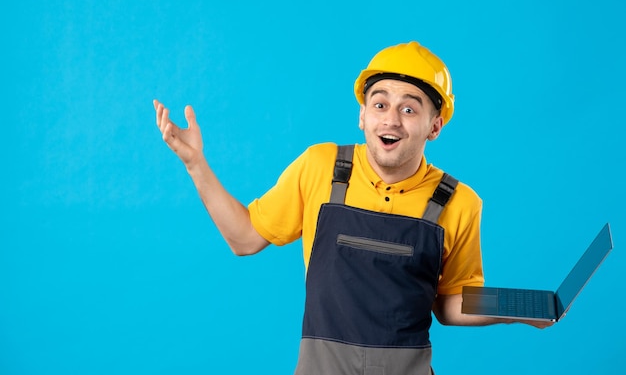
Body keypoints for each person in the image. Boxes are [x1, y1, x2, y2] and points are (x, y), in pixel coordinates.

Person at [153, 41, 552, 375]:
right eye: (380, 105)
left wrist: (515, 305)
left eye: (410, 109)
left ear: (434, 126)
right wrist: (195, 164)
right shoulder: (320, 168)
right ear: (362, 115)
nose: (391, 119)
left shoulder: (459, 202)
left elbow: (450, 303)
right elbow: (243, 238)